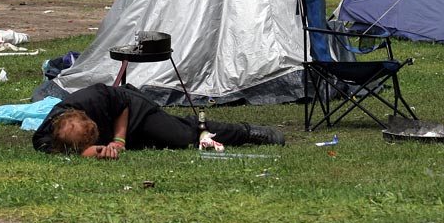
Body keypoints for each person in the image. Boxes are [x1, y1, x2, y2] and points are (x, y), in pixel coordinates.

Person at [32, 83, 285, 158]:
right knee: (150, 144)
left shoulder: (94, 97)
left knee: (183, 137)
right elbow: (50, 148)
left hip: (134, 112)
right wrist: (86, 153)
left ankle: (248, 132)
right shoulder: (47, 134)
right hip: (115, 128)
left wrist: (118, 139)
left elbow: (122, 104)